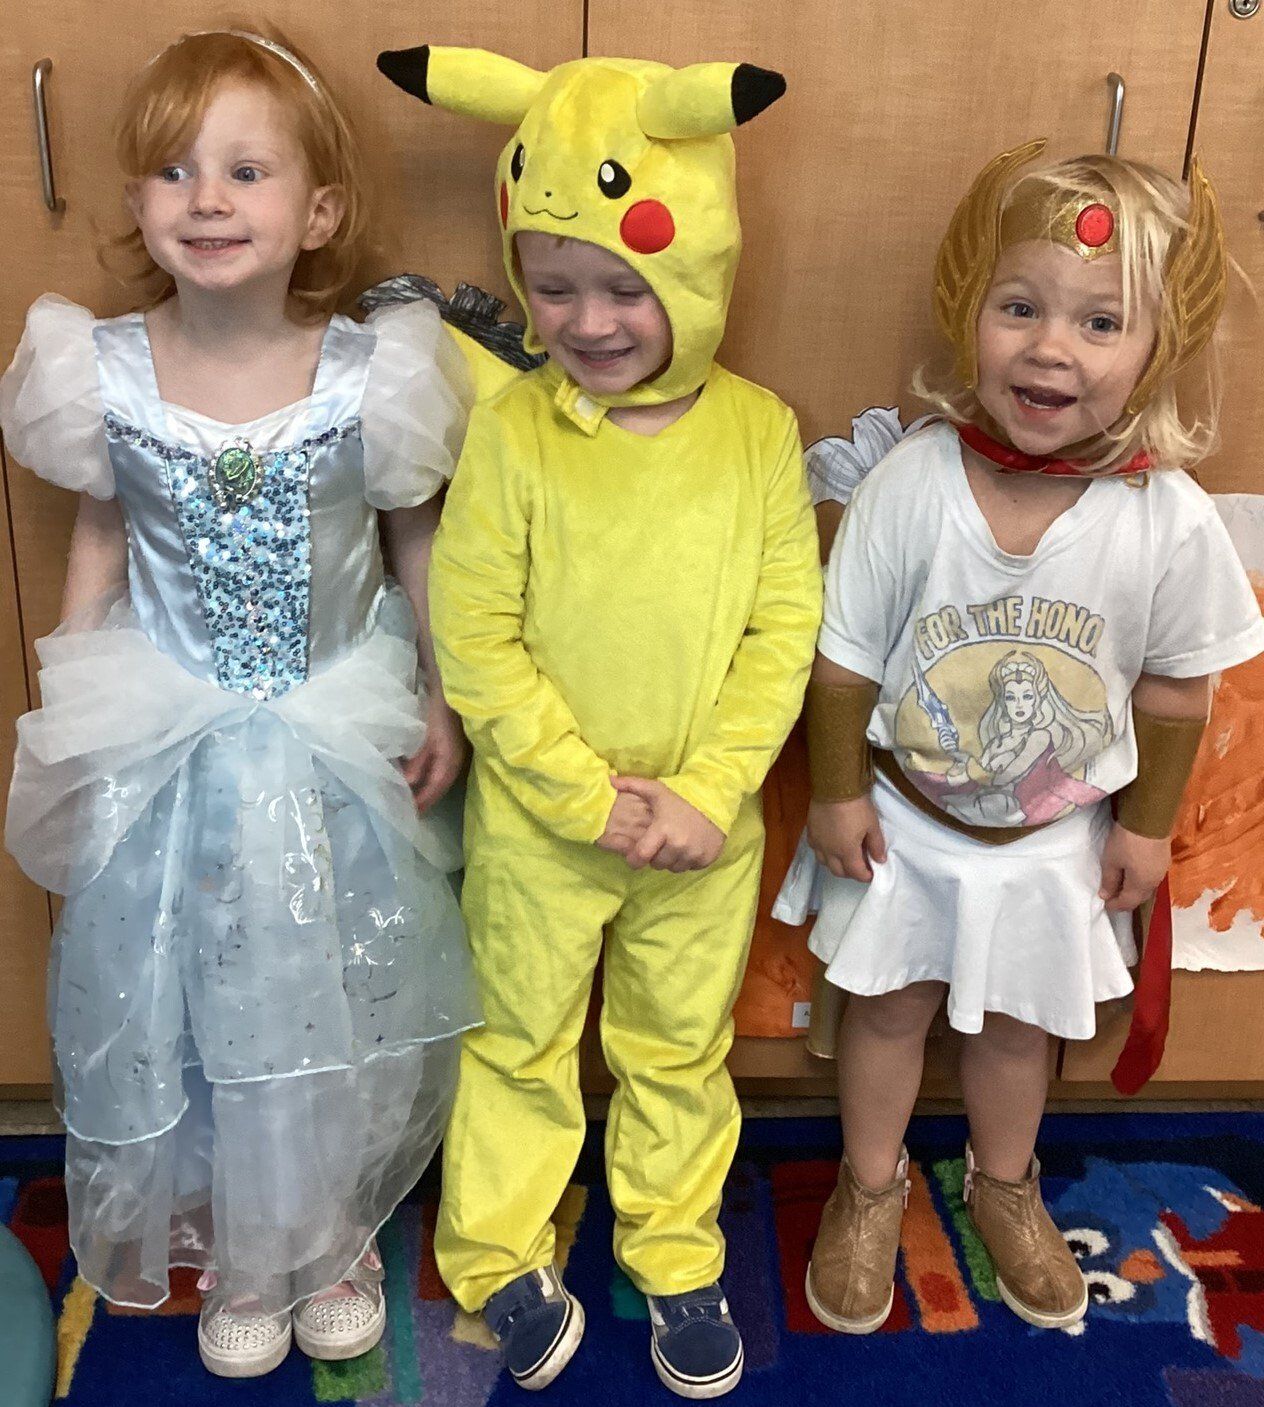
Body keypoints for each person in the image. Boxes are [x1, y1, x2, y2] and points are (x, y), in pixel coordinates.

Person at [0, 28, 478, 1379]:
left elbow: (411, 534)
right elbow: (105, 530)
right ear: (138, 201)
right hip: (174, 737)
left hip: (329, 728)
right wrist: (73, 697)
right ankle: (240, 1249)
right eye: (174, 170)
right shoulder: (101, 372)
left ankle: (322, 1237)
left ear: (317, 211)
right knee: (191, 988)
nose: (206, 200)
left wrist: (442, 693)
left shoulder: (370, 375)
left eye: (246, 172)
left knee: (326, 983)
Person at [378, 45, 822, 1398]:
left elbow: (781, 635)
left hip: (701, 831)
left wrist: (707, 791)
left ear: (696, 264)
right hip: (542, 827)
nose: (588, 320)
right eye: (553, 285)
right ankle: (497, 1252)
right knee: (515, 1042)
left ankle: (675, 1249)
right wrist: (586, 797)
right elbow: (479, 635)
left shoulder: (759, 433)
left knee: (676, 1050)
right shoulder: (515, 430)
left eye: (625, 285)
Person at [781, 141, 1264, 1336]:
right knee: (886, 1012)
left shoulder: (1164, 517)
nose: (1051, 348)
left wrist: (1145, 829)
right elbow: (842, 659)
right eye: (1020, 308)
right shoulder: (910, 484)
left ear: (1156, 347)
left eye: (1100, 323)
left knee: (1016, 1031)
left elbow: (1174, 689)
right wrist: (836, 793)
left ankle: (1004, 1186)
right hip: (904, 827)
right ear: (970, 314)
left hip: (1055, 842)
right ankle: (869, 1185)